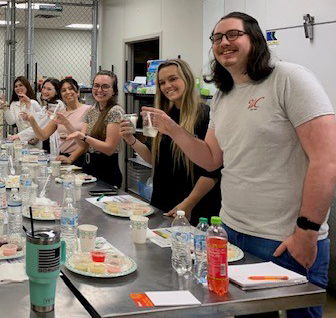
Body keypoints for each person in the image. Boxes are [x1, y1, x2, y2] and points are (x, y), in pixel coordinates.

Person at [142, 12, 335, 318]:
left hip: (285, 239)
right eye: (217, 38)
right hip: (231, 233)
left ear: (254, 39)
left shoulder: (290, 78)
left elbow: (327, 160)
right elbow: (210, 158)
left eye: (233, 34)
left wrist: (307, 232)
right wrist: (172, 129)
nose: (224, 43)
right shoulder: (224, 95)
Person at [120, 59, 221, 224]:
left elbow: (212, 173)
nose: (167, 86)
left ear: (187, 79)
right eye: (162, 82)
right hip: (162, 203)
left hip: (194, 209)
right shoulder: (164, 116)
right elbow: (155, 158)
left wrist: (188, 204)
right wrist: (130, 140)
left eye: (173, 79)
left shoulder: (204, 115)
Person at [65, 71, 124, 187]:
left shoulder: (115, 111)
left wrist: (83, 137)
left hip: (106, 169)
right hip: (88, 166)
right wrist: (76, 135)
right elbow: (83, 144)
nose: (99, 90)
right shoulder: (92, 110)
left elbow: (109, 148)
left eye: (105, 86)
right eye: (96, 85)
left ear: (114, 91)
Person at [23, 78, 90, 164]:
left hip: (80, 158)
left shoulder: (88, 110)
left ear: (77, 91)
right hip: (63, 156)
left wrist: (71, 158)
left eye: (71, 89)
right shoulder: (60, 113)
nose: (68, 92)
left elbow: (85, 142)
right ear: (60, 94)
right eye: (63, 90)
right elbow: (43, 136)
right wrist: (31, 120)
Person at [0, 76, 44, 146]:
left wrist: (35, 137)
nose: (18, 88)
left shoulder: (33, 102)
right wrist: (4, 106)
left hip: (37, 141)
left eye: (21, 85)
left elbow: (42, 121)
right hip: (23, 141)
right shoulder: (14, 104)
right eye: (16, 86)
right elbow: (11, 121)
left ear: (27, 87)